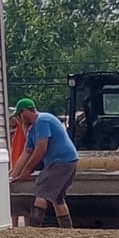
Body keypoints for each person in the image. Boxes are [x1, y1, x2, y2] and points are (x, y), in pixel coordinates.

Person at [10, 96, 78, 227]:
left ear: (25, 111)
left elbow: (41, 149)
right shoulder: (32, 130)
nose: (18, 120)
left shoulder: (43, 120)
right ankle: (67, 231)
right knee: (58, 198)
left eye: (19, 115)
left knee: (42, 190)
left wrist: (26, 172)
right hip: (67, 161)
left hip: (62, 161)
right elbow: (26, 153)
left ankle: (35, 230)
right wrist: (13, 176)